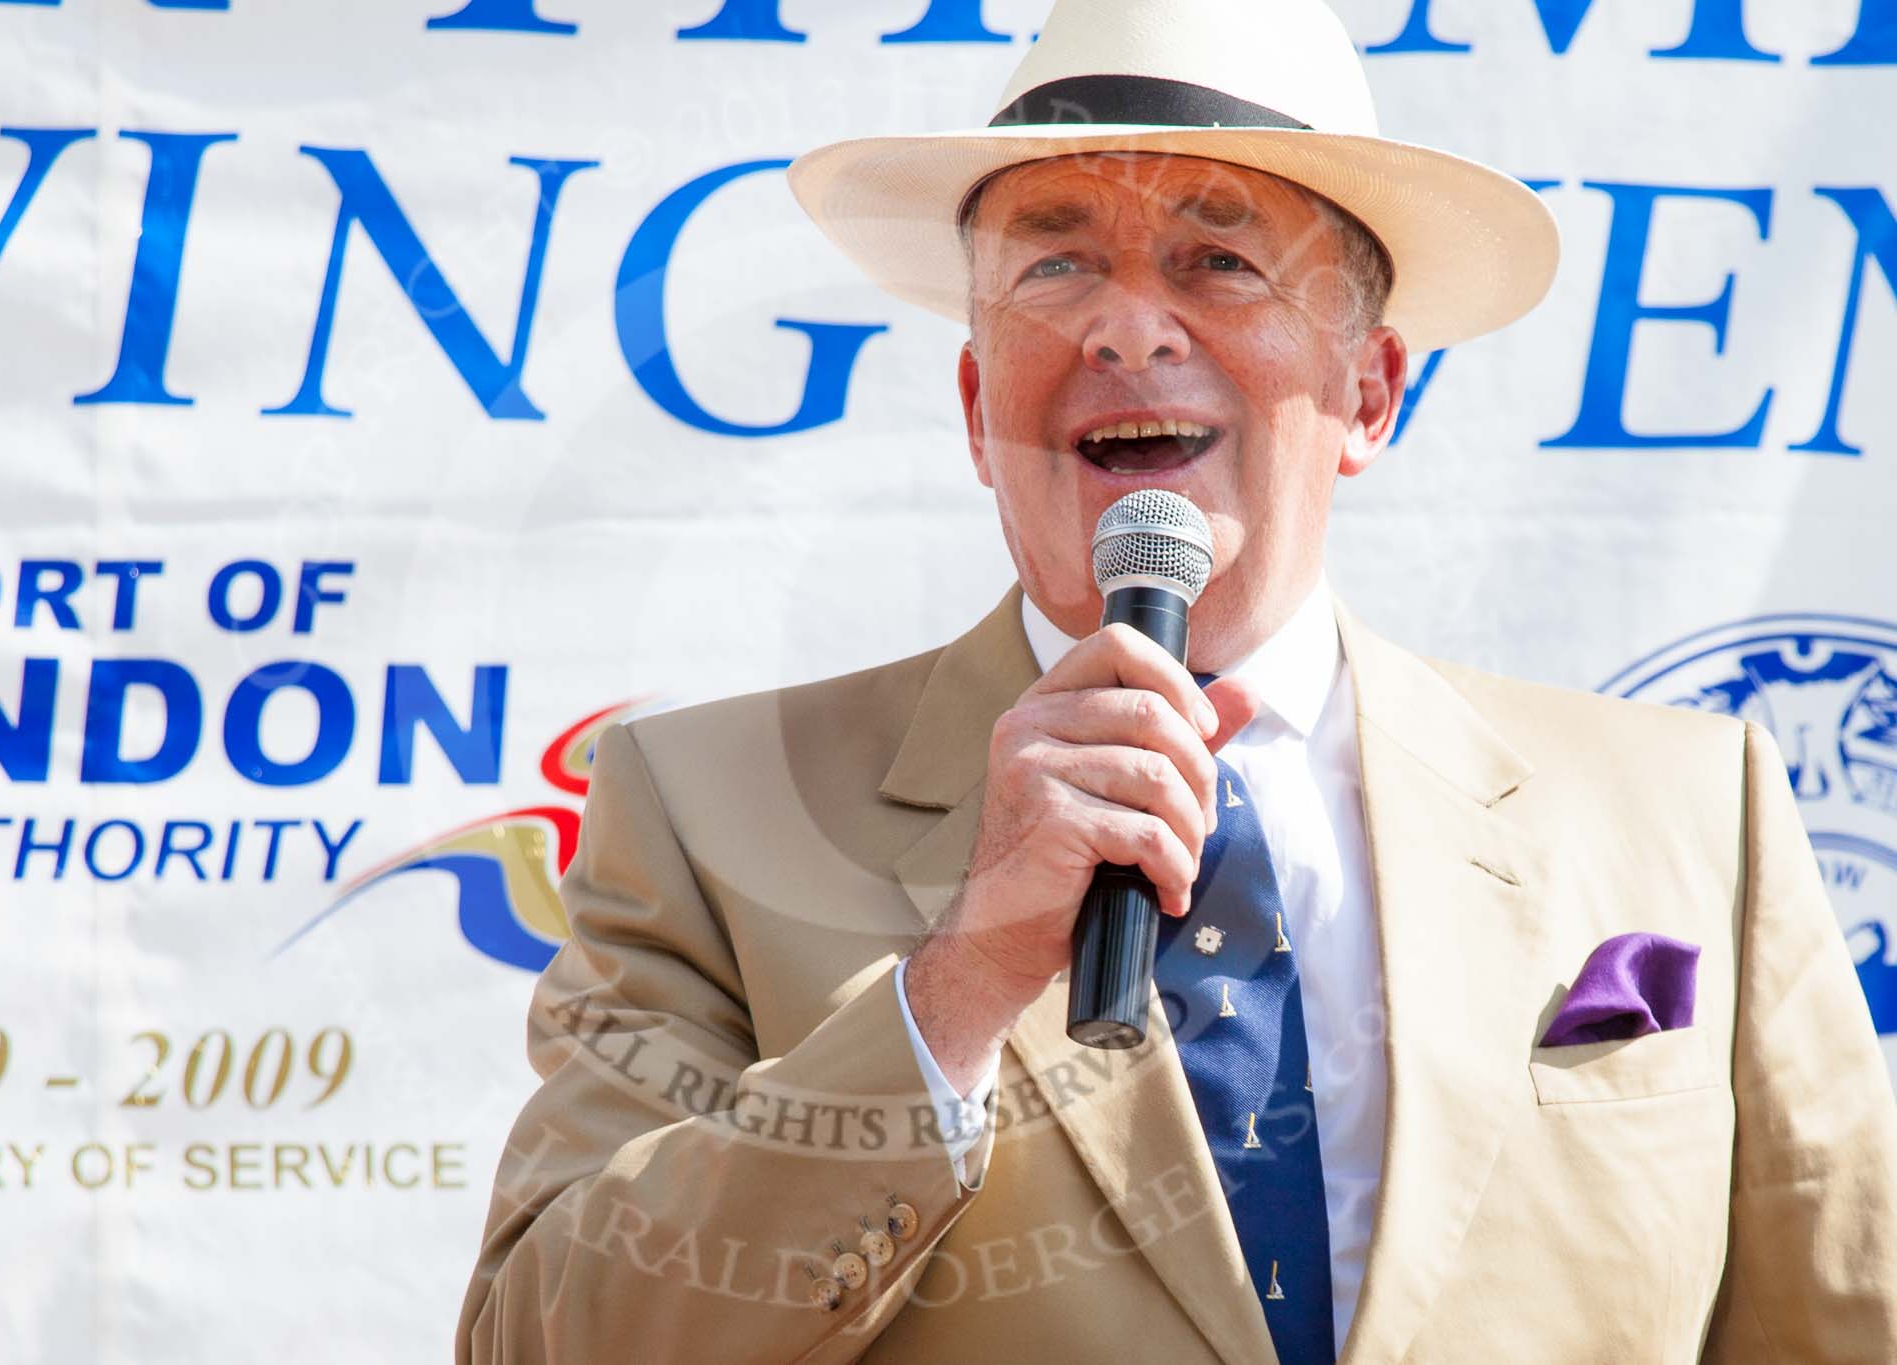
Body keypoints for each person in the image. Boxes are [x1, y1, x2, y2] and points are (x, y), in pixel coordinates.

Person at [456, 0, 1897, 1360]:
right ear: (974, 405)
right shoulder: (707, 816)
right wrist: (956, 988)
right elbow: (542, 1337)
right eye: (1056, 263)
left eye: (1220, 260)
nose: (1130, 329)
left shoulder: (1695, 816)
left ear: (1369, 392)